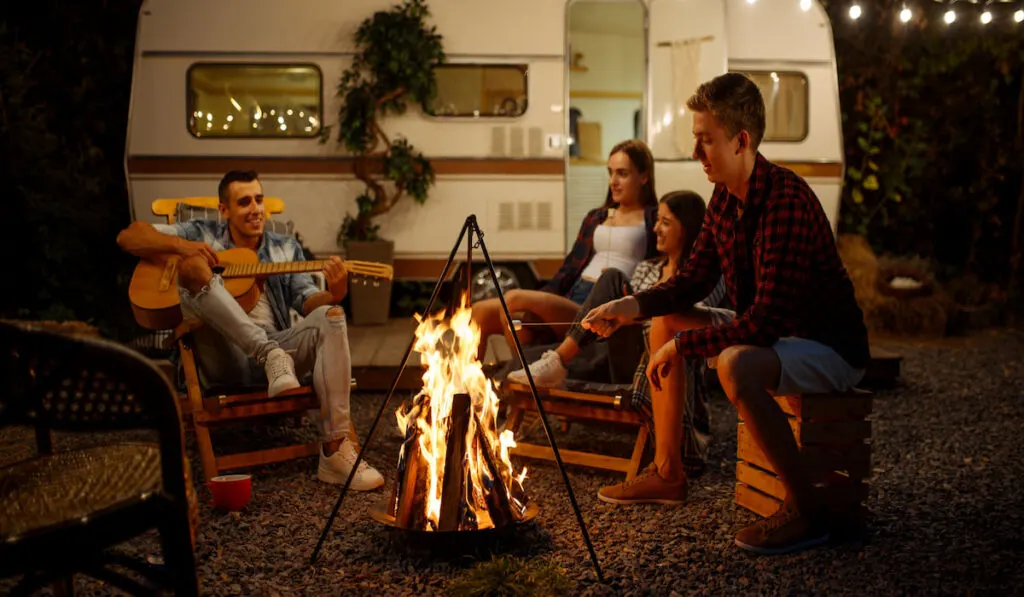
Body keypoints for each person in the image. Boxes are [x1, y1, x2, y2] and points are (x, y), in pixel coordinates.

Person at [582, 73, 869, 556]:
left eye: (705, 140)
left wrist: (684, 347)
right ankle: (669, 473)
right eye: (696, 140)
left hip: (827, 345)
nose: (697, 154)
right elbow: (691, 282)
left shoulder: (786, 201)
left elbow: (765, 324)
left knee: (736, 362)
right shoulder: (724, 199)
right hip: (775, 334)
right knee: (666, 321)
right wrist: (630, 306)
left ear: (741, 141)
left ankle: (808, 511)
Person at [116, 170, 385, 491]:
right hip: (224, 356)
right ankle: (267, 353)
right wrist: (183, 247)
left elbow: (308, 301)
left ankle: (335, 451)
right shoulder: (199, 233)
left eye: (259, 199)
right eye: (244, 202)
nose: (255, 208)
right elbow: (129, 236)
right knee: (191, 268)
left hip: (283, 365)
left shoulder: (285, 247)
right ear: (224, 210)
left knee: (331, 314)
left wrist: (336, 292)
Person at [507, 190, 728, 478]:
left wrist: (635, 315)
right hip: (617, 356)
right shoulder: (648, 267)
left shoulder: (707, 276)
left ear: (687, 227)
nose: (655, 228)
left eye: (665, 222)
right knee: (521, 362)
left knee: (611, 278)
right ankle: (554, 362)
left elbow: (694, 319)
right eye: (656, 220)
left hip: (656, 360)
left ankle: (558, 361)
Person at [472, 139, 660, 359]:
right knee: (480, 312)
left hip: (599, 303)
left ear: (644, 176)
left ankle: (524, 376)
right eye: (610, 173)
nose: (613, 181)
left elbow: (661, 268)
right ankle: (471, 387)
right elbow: (569, 269)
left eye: (622, 174)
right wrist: (540, 300)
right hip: (573, 294)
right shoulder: (597, 216)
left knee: (512, 300)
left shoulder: (654, 219)